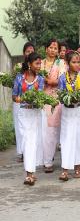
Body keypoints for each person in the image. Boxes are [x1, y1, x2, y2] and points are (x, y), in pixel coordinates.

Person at [12, 53, 45, 185]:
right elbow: (14, 96)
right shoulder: (19, 78)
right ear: (30, 64)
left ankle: (31, 172)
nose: (39, 66)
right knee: (27, 141)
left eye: (40, 63)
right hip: (23, 114)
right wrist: (20, 98)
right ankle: (29, 173)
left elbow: (41, 96)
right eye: (37, 63)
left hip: (35, 113)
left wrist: (36, 99)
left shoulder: (40, 79)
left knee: (34, 141)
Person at [58, 51, 80, 181]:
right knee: (66, 139)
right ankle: (65, 169)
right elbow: (60, 94)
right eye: (74, 62)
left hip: (79, 110)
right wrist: (67, 99)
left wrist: (79, 97)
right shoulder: (62, 77)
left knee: (79, 138)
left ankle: (77, 166)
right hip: (67, 111)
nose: (77, 64)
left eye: (78, 62)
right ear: (67, 63)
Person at [41, 39, 66, 173]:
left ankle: (65, 160)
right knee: (47, 131)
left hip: (57, 99)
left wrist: (50, 81)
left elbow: (62, 80)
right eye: (50, 47)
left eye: (55, 48)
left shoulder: (61, 63)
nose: (53, 50)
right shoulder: (41, 63)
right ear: (46, 49)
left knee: (57, 129)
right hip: (43, 99)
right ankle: (47, 161)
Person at [13, 42, 36, 162]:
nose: (30, 53)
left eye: (32, 51)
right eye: (28, 51)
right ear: (24, 53)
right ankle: (22, 152)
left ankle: (31, 151)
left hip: (33, 103)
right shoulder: (18, 67)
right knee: (20, 127)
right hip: (19, 101)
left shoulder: (37, 66)